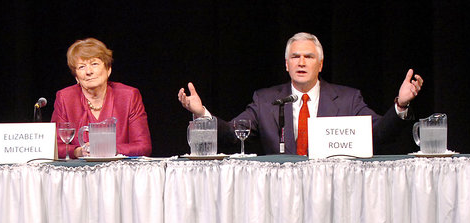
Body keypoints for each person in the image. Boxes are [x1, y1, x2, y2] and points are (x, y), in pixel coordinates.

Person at [178, 32, 423, 155]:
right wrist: (201, 114)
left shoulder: (348, 99)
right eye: (295, 57)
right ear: (287, 64)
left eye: (309, 57)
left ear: (320, 64)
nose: (301, 62)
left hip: (334, 195)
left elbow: (378, 133)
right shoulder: (265, 101)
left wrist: (400, 104)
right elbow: (234, 133)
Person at [51, 38, 152, 158]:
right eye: (82, 67)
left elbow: (143, 146)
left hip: (119, 172)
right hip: (79, 173)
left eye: (94, 64)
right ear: (76, 77)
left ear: (108, 70)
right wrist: (78, 151)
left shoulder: (129, 96)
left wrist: (107, 150)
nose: (89, 71)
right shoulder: (65, 98)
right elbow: (55, 147)